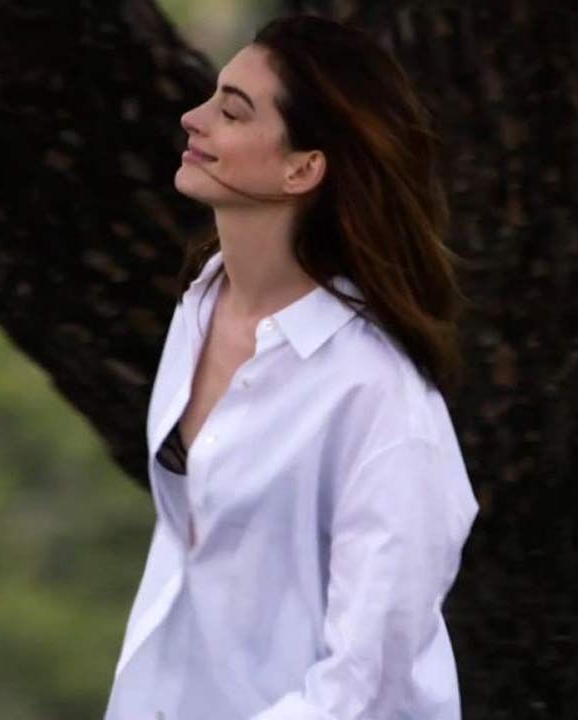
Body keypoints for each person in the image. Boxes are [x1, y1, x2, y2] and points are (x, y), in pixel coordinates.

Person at [103, 13, 480, 720]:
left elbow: (368, 683)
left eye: (231, 111)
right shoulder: (201, 307)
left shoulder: (381, 401)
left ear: (302, 167)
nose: (192, 118)